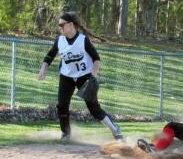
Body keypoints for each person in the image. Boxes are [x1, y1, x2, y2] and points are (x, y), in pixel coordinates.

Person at [37, 12, 123, 141]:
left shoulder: (83, 40)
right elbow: (49, 56)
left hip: (85, 77)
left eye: (62, 24)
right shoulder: (59, 40)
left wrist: (92, 77)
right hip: (66, 77)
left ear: (71, 25)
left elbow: (96, 59)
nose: (59, 27)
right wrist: (43, 69)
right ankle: (66, 134)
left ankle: (115, 129)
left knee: (94, 109)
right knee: (62, 105)